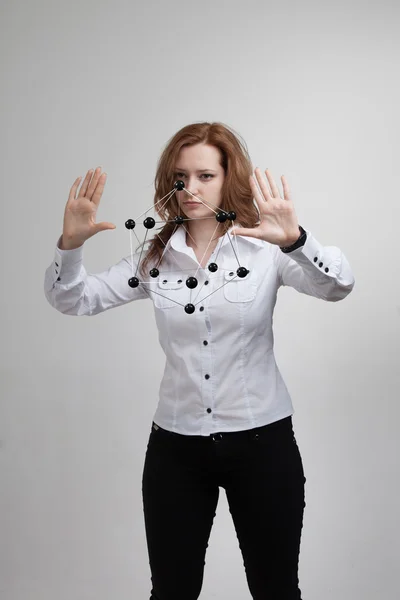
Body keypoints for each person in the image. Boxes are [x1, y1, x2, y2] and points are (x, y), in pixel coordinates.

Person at [44, 122, 355, 600]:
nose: (190, 188)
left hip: (262, 444)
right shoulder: (154, 259)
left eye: (205, 175)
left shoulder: (266, 249)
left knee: (276, 589)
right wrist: (71, 245)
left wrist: (296, 240)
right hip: (176, 450)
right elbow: (74, 299)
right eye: (179, 177)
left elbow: (337, 285)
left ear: (230, 177)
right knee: (172, 591)